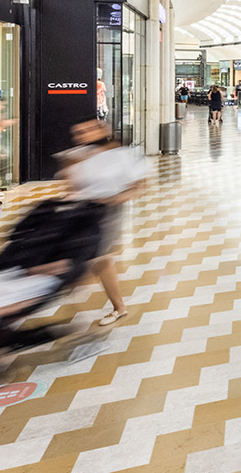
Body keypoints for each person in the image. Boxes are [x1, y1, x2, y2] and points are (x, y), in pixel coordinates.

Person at [56, 119, 149, 326]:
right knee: (92, 257)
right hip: (82, 210)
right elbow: (71, 188)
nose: (83, 136)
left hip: (109, 211)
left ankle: (118, 307)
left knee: (100, 257)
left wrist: (112, 199)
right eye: (78, 132)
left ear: (102, 130)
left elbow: (139, 186)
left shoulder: (122, 154)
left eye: (88, 130)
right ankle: (113, 304)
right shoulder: (75, 157)